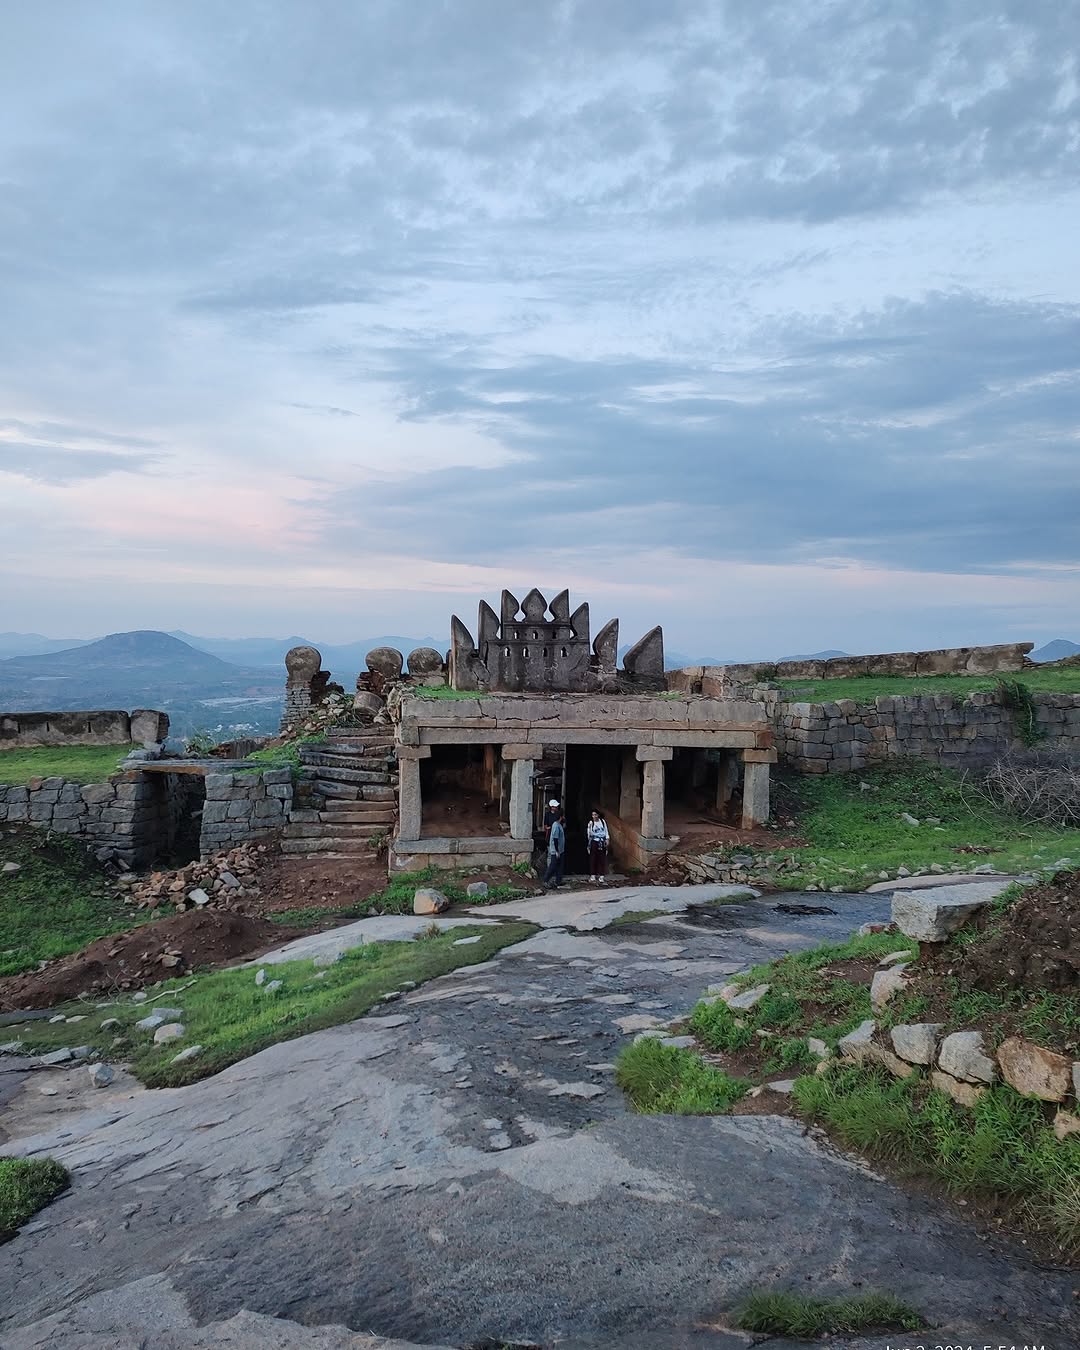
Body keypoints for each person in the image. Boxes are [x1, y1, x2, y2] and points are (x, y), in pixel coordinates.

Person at [586, 809, 609, 884]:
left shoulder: (602, 821)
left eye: (595, 815)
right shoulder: (591, 823)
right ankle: (593, 875)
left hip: (602, 841)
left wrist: (607, 839)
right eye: (593, 815)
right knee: (593, 858)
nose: (594, 816)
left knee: (602, 858)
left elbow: (606, 831)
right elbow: (589, 834)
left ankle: (601, 875)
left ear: (598, 815)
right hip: (594, 841)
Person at [544, 811, 566, 888]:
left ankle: (558, 880)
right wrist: (557, 851)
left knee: (560, 865)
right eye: (563, 816)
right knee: (553, 866)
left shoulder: (558, 825)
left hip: (560, 849)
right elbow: (555, 839)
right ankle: (546, 880)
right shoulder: (556, 826)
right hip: (556, 850)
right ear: (560, 817)